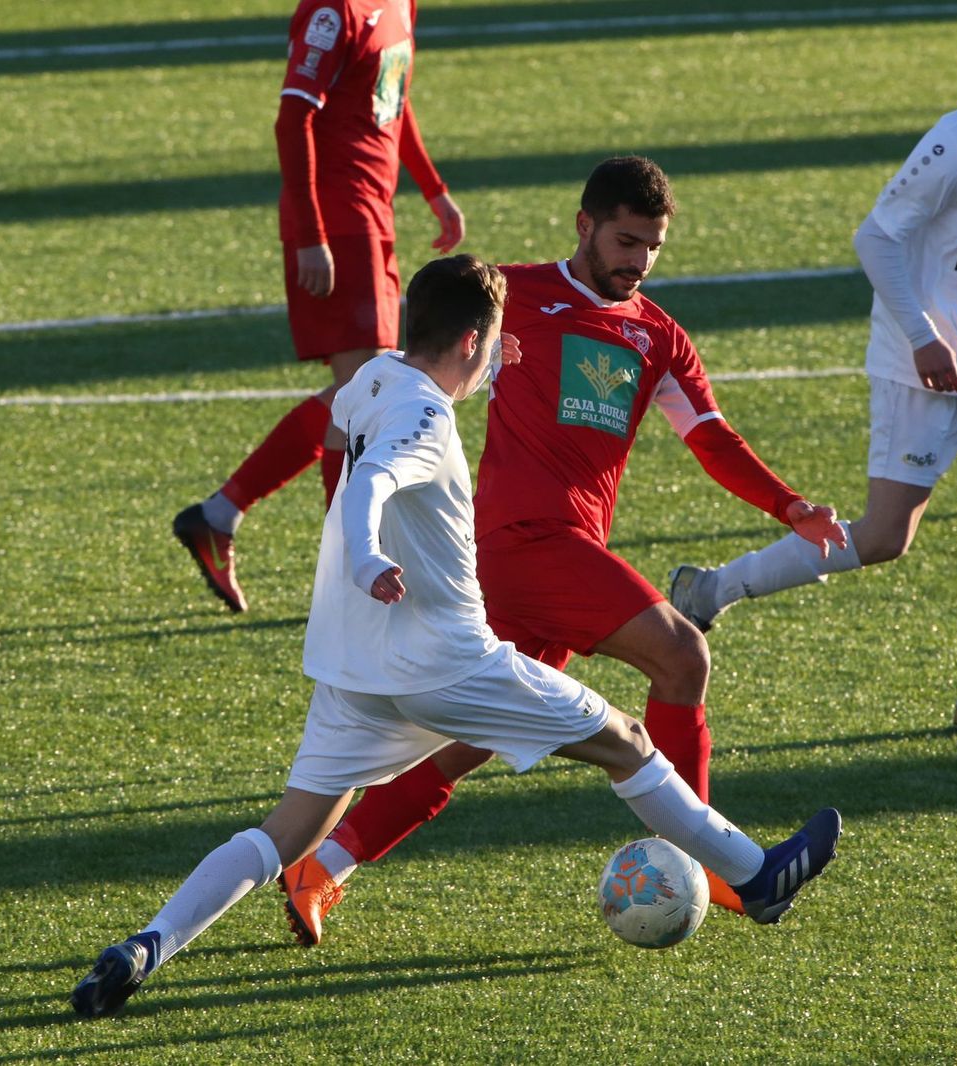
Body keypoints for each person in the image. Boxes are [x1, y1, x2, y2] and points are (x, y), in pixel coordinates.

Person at [70, 256, 842, 1018]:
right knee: (627, 740)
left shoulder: (374, 376)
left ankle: (147, 946)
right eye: (496, 347)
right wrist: (368, 550)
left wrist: (343, 522)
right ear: (473, 341)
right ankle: (756, 876)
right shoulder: (428, 418)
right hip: (448, 663)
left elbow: (340, 434)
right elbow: (378, 478)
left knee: (284, 832)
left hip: (355, 670)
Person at [275, 156, 847, 947]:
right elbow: (406, 366)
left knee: (466, 740)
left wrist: (787, 504)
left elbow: (710, 438)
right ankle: (725, 867)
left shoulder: (658, 336)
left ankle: (323, 864)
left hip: (545, 562)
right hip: (524, 543)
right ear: (584, 227)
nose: (637, 261)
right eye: (624, 240)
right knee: (682, 658)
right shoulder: (512, 299)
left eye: (652, 246)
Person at [669, 0, 957, 734]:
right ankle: (711, 589)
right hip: (918, 367)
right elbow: (875, 239)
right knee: (881, 539)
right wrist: (923, 335)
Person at [173, 0, 464, 612]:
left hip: (374, 218)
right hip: (339, 220)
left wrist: (433, 190)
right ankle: (332, 557)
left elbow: (392, 99)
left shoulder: (400, 5)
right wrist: (311, 233)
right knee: (365, 389)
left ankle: (228, 518)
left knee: (361, 393)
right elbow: (292, 119)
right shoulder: (333, 11)